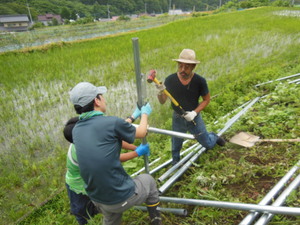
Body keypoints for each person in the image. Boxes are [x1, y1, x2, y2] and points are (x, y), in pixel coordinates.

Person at [68, 82, 162, 225]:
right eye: (102, 96)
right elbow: (142, 131)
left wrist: (133, 116)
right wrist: (144, 113)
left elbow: (109, 132)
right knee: (148, 180)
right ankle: (156, 221)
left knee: (111, 217)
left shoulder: (77, 130)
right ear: (96, 101)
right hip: (119, 198)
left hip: (96, 198)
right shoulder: (111, 123)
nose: (104, 99)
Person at [63, 116, 146, 225]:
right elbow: (114, 158)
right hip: (77, 183)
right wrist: (137, 153)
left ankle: (103, 213)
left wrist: (135, 148)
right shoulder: (82, 151)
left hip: (91, 179)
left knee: (98, 203)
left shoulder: (86, 139)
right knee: (81, 210)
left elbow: (115, 138)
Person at [154, 49, 226, 165]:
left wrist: (194, 113)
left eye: (187, 67)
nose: (182, 70)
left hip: (194, 118)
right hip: (178, 117)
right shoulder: (170, 80)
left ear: (193, 67)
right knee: (176, 144)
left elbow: (206, 100)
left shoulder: (200, 81)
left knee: (207, 144)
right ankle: (176, 163)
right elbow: (162, 101)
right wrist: (160, 92)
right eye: (180, 66)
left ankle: (214, 136)